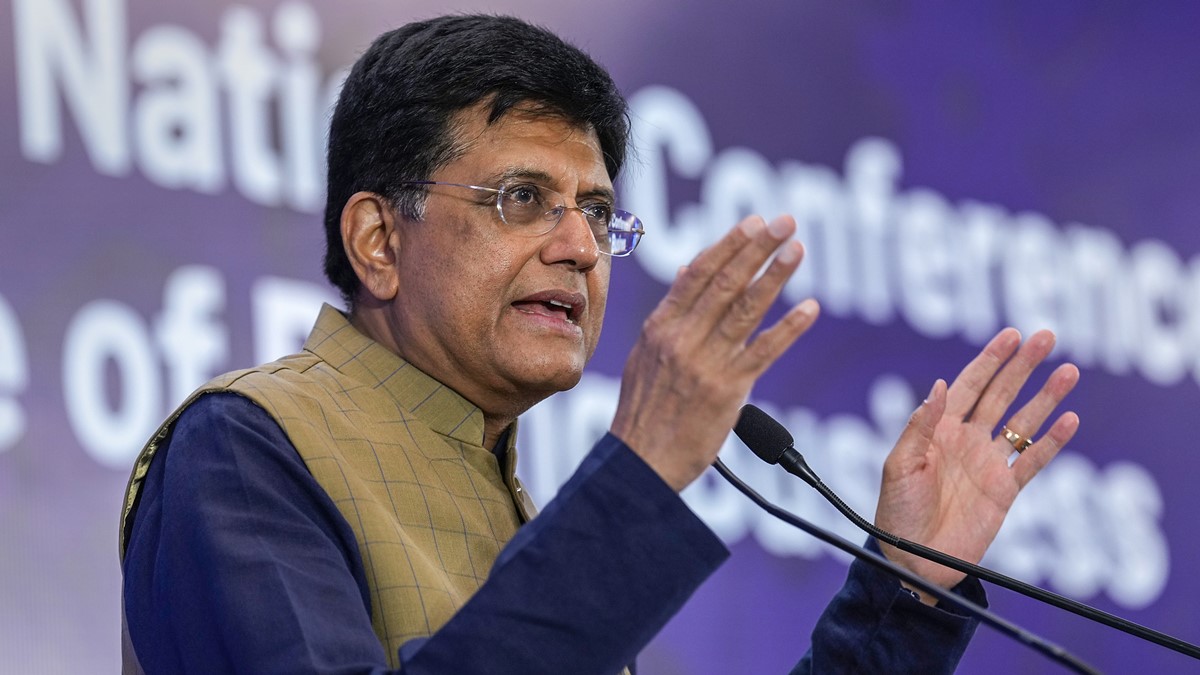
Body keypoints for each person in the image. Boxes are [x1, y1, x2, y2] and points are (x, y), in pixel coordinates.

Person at [118, 14, 1081, 675]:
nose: (581, 246)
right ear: (378, 239)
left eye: (597, 211)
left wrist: (907, 585)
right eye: (522, 197)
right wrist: (640, 470)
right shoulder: (246, 447)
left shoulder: (518, 508)